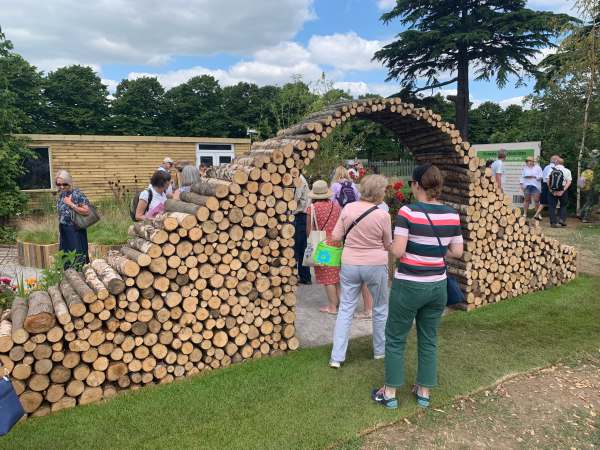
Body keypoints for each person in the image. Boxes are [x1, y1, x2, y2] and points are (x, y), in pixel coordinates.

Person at [371, 164, 463, 410]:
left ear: (415, 185)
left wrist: (387, 245)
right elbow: (457, 251)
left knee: (395, 337)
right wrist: (435, 253)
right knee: (429, 337)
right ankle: (424, 391)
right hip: (437, 286)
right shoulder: (452, 214)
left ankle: (389, 392)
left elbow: (398, 251)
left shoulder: (407, 212)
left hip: (409, 285)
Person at [329, 175, 392, 367]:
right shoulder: (383, 215)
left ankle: (337, 357)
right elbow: (387, 244)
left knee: (346, 308)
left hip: (350, 263)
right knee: (380, 308)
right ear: (378, 193)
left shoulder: (348, 208)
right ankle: (380, 351)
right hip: (375, 265)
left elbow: (336, 236)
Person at [306, 180, 342, 314]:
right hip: (336, 242)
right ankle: (339, 302)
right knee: (336, 276)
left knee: (328, 279)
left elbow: (309, 229)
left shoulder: (312, 209)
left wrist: (311, 243)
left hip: (322, 244)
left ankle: (332, 306)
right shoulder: (336, 206)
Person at [55, 169, 90, 267]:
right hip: (64, 229)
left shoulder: (77, 194)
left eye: (64, 184)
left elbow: (87, 211)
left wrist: (71, 204)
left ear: (69, 182)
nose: (61, 186)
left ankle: (80, 277)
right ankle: (68, 277)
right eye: (59, 184)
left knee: (77, 256)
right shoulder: (62, 194)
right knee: (65, 256)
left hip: (75, 230)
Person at [293, 174, 312, 285]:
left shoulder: (298, 179)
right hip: (302, 215)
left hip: (300, 215)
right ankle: (305, 276)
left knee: (300, 248)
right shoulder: (298, 177)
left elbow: (296, 197)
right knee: (302, 248)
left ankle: (304, 276)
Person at [548, 157, 572, 228]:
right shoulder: (567, 170)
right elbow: (569, 182)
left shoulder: (551, 170)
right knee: (563, 205)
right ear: (563, 163)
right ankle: (562, 220)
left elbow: (548, 180)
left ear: (556, 163)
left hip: (552, 190)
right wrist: (563, 190)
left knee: (552, 206)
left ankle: (553, 222)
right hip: (562, 189)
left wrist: (551, 190)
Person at [535, 154, 560, 221]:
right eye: (558, 159)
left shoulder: (546, 167)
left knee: (543, 202)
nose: (559, 161)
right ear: (555, 160)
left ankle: (536, 214)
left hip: (544, 184)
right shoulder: (554, 167)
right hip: (551, 185)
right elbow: (549, 178)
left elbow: (543, 177)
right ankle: (554, 217)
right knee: (554, 201)